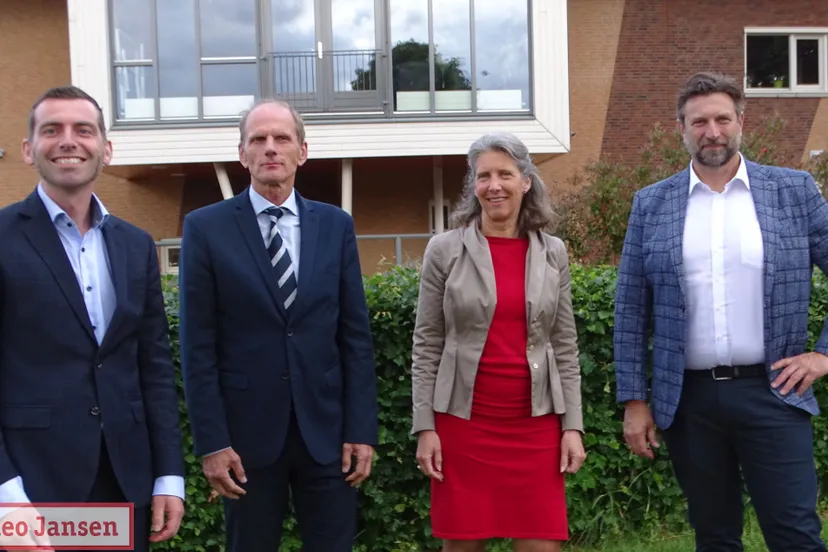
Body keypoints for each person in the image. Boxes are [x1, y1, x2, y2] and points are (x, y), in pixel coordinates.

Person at [614, 71, 828, 552]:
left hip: (774, 392)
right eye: (699, 121)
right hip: (689, 403)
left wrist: (823, 356)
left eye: (722, 119)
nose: (712, 131)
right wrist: (635, 401)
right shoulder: (652, 204)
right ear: (681, 129)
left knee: (795, 534)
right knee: (714, 537)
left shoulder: (793, 191)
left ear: (741, 122)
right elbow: (630, 309)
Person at [179, 99, 378, 552]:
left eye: (282, 139)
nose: (270, 149)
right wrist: (212, 443)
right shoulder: (205, 229)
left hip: (327, 436)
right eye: (258, 140)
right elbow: (197, 346)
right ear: (242, 154)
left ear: (302, 152)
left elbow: (354, 338)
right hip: (244, 442)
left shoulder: (335, 225)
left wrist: (361, 430)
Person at [0, 85, 185, 551]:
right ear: (28, 149)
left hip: (125, 479)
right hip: (32, 485)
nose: (69, 141)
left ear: (105, 148)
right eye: (52, 130)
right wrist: (5, 490)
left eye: (83, 130)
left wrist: (167, 475)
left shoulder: (135, 244)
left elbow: (154, 367)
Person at [411, 132, 587, 552]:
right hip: (463, 424)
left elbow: (564, 344)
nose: (494, 186)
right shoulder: (444, 250)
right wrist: (425, 427)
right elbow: (427, 343)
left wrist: (573, 426)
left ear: (526, 181)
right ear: (473, 185)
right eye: (484, 175)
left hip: (536, 424)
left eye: (505, 174)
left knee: (541, 545)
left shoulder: (553, 253)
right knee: (463, 545)